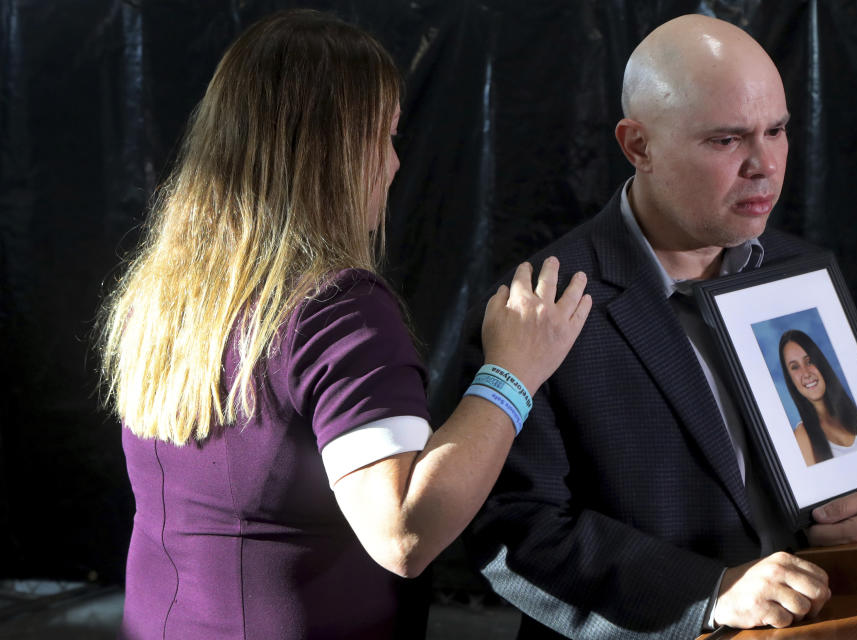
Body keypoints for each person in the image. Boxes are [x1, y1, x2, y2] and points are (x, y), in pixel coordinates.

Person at [97, 10, 591, 640]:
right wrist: (512, 373)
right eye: (384, 136)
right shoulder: (337, 308)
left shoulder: (162, 289)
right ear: (330, 149)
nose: (392, 165)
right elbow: (404, 532)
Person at [464, 14, 857, 639]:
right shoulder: (543, 303)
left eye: (777, 131)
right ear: (638, 146)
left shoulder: (798, 270)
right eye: (726, 141)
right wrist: (710, 595)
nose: (764, 165)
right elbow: (517, 530)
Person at [779, 329, 857, 465]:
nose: (806, 373)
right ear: (790, 379)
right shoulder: (802, 436)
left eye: (809, 361)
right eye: (795, 367)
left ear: (820, 363)